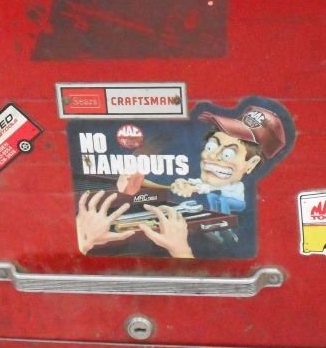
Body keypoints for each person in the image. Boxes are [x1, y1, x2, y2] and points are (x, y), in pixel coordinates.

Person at [76, 105, 288, 258]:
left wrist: (180, 250)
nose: (212, 156)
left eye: (228, 154)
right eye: (212, 146)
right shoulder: (208, 186)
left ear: (251, 164)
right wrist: (139, 183)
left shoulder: (256, 216)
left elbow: (223, 281)